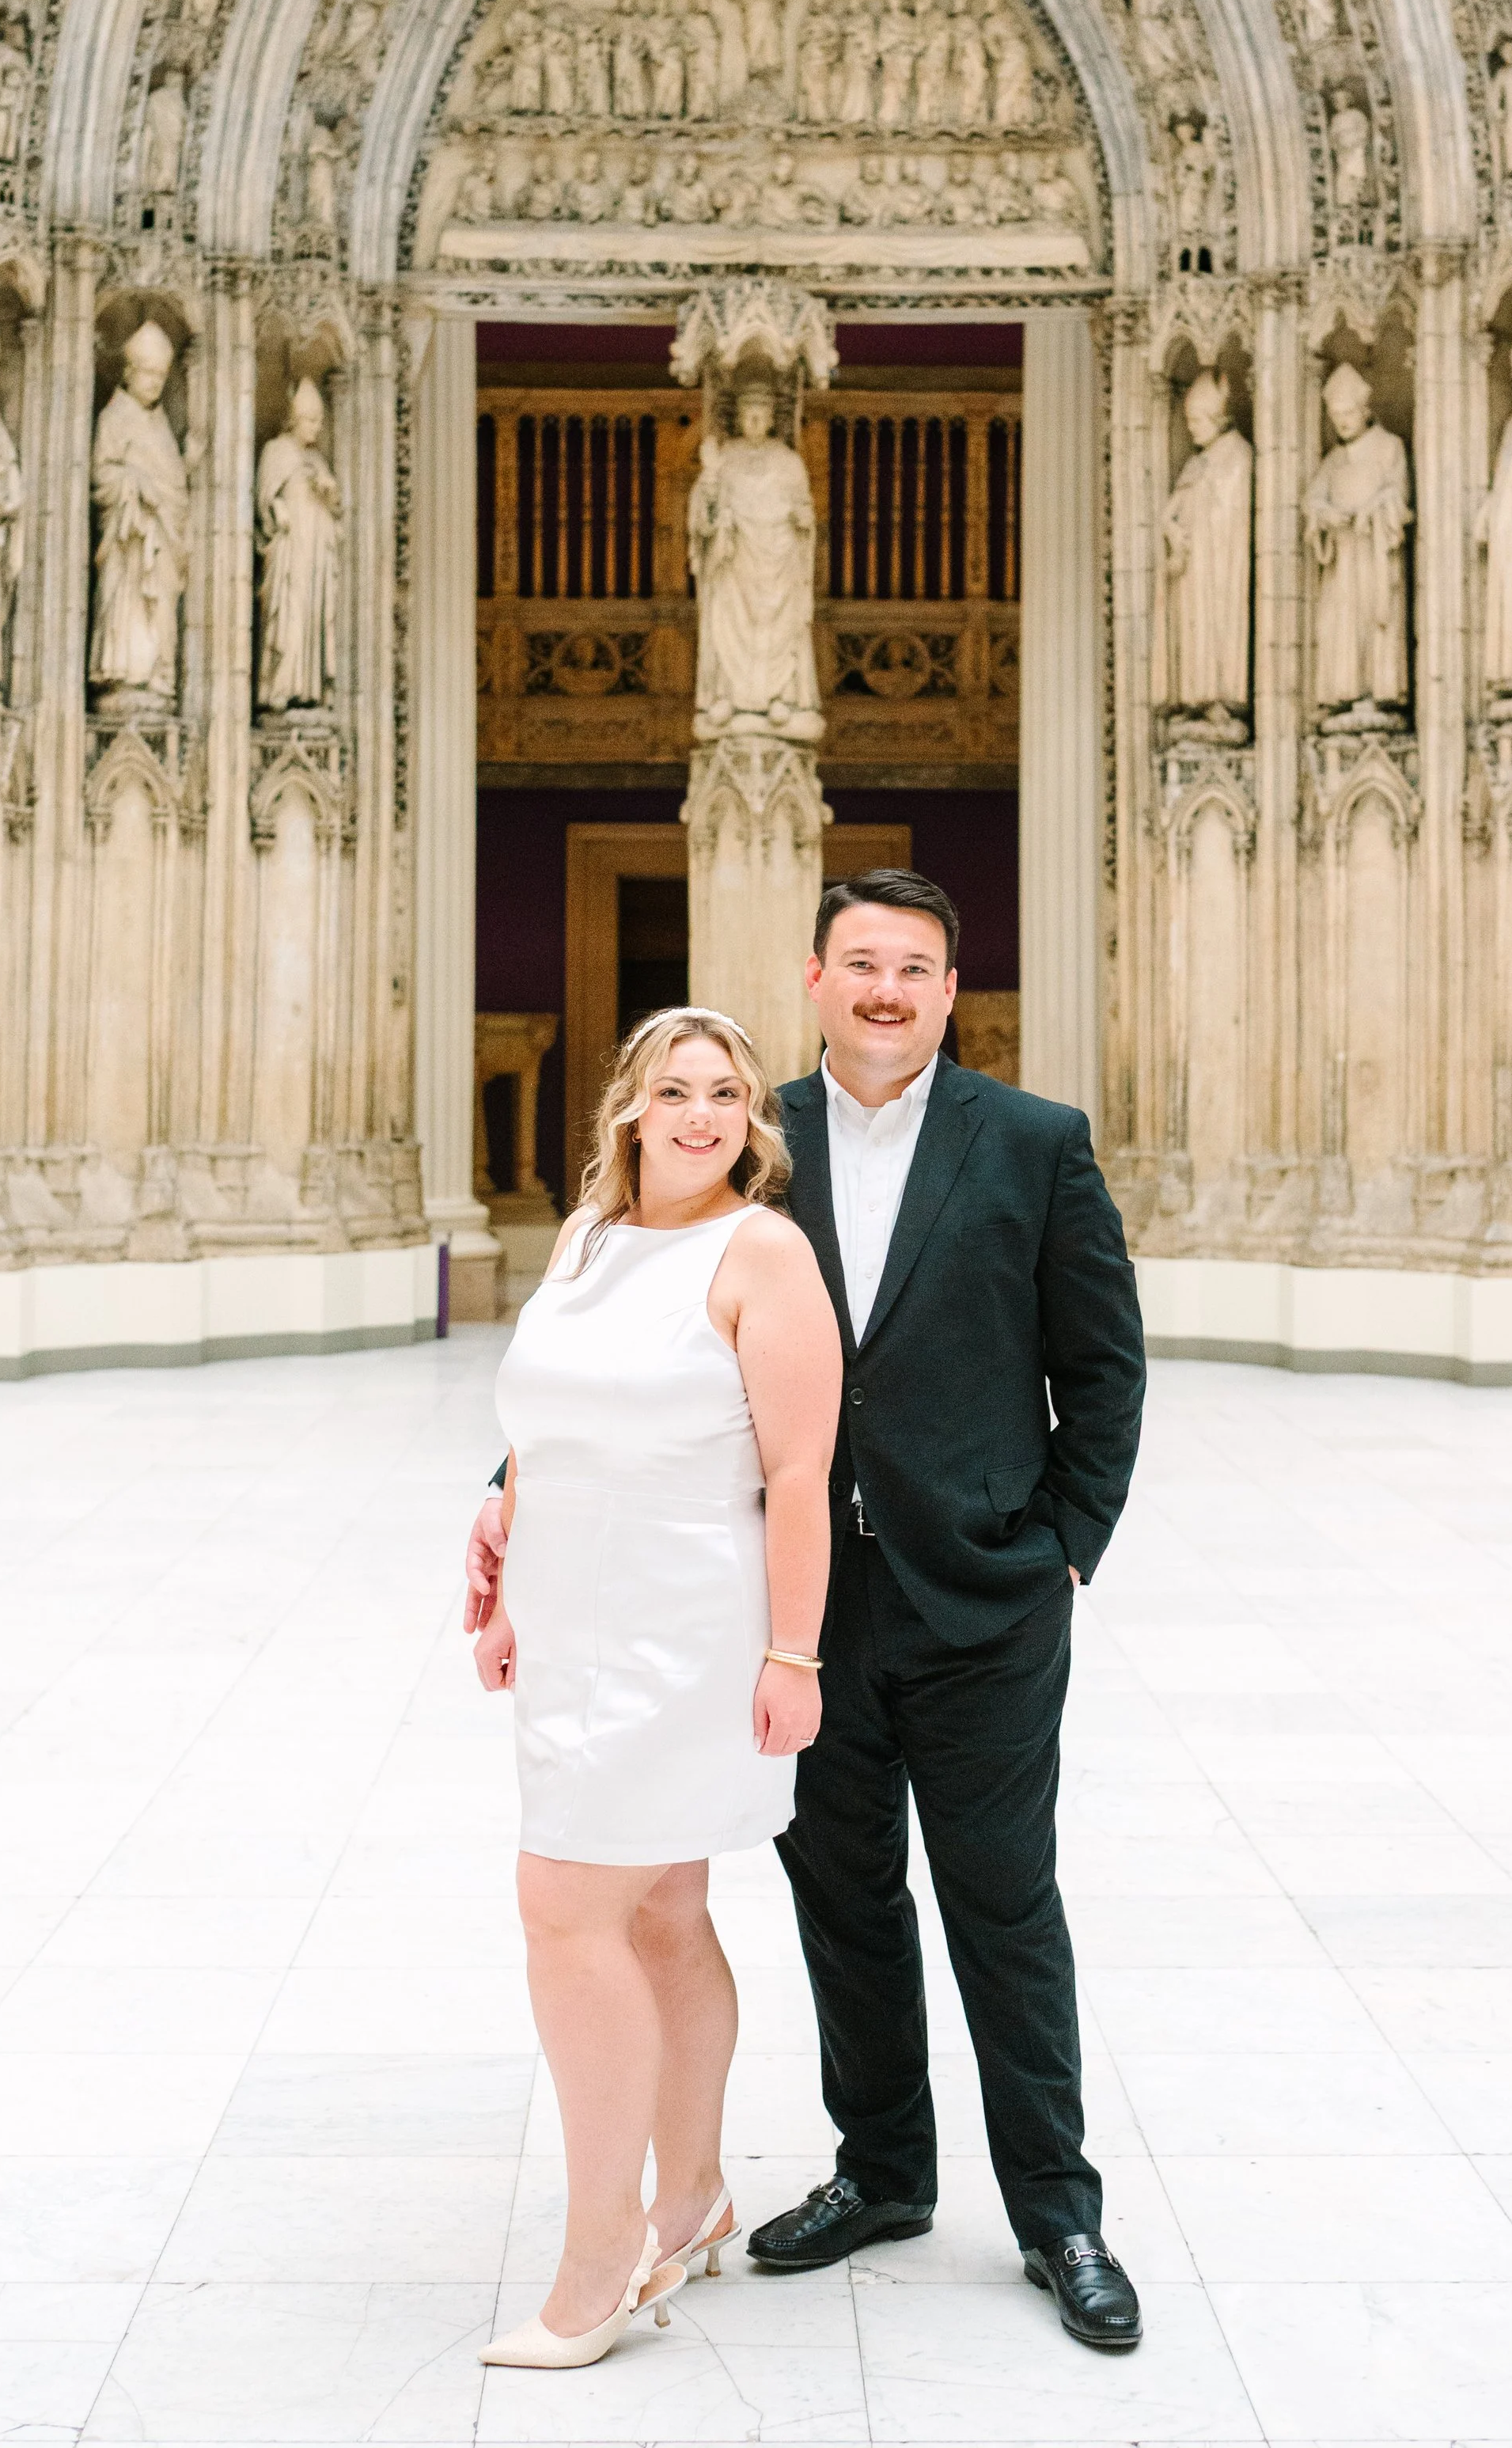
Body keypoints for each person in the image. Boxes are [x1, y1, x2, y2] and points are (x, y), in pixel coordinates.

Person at [466, 871, 1149, 2353]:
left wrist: (1063, 1548)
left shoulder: (1034, 1144)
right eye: (860, 964)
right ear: (817, 978)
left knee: (1002, 1903)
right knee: (842, 1904)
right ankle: (886, 2172)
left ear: (950, 989)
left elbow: (1103, 1364)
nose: (887, 989)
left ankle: (1058, 2212)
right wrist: (510, 1483)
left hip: (981, 1600)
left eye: (916, 965)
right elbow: (624, 1337)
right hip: (789, 1611)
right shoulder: (743, 1137)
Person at [470, 1007, 841, 2372]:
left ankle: (597, 2260)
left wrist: (792, 1654)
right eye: (676, 1090)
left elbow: (799, 1471)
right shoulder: (586, 1239)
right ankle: (693, 2197)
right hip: (573, 1614)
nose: (701, 1115)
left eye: (728, 1094)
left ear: (754, 1119)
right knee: (665, 1909)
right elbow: (539, 1427)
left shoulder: (762, 1250)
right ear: (628, 1106)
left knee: (566, 1904)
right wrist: (506, 1571)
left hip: (689, 1627)